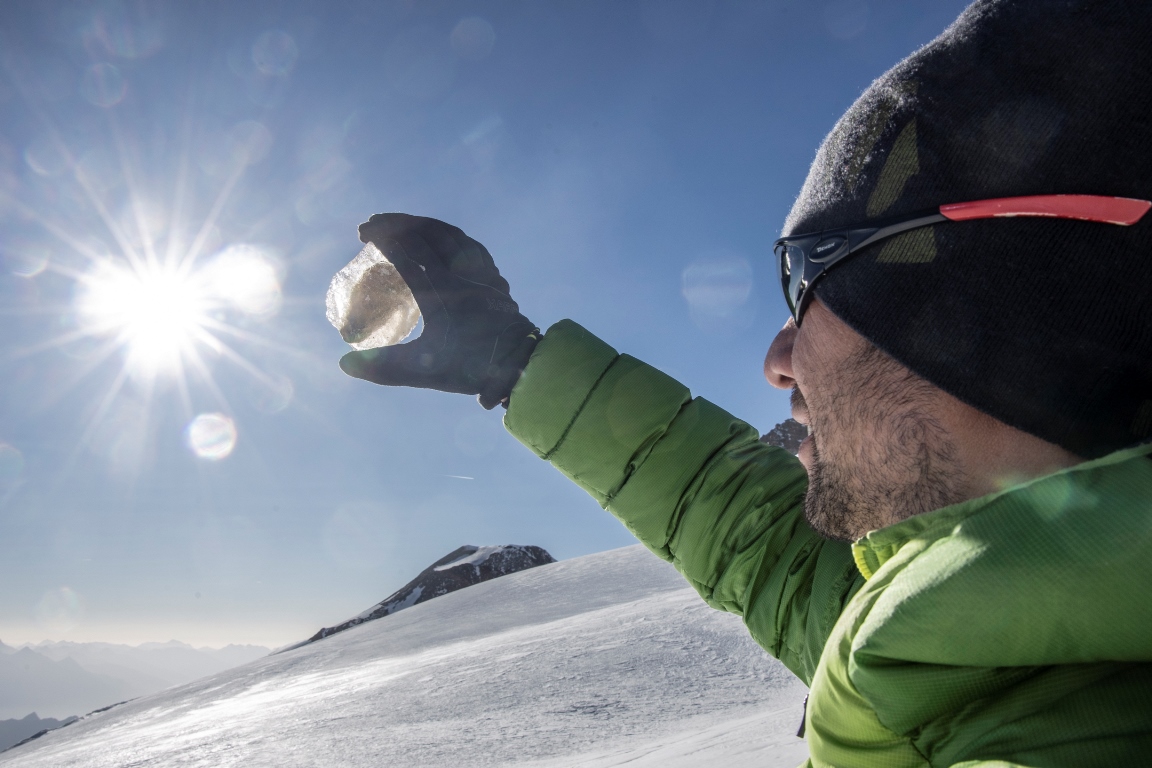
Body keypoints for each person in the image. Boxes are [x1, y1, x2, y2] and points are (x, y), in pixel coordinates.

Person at [339, 0, 1152, 763]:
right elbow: (760, 546)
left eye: (812, 276)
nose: (777, 357)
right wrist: (515, 363)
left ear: (987, 314)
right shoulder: (958, 625)